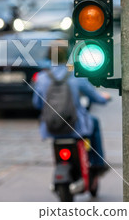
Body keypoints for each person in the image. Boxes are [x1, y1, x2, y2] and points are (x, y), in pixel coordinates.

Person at [32, 44, 111, 173]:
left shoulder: (41, 77)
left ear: (49, 56)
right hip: (76, 126)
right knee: (94, 123)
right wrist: (105, 98)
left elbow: (37, 103)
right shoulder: (75, 75)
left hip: (51, 128)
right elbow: (95, 97)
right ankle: (98, 164)